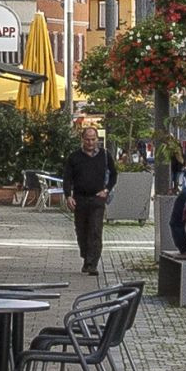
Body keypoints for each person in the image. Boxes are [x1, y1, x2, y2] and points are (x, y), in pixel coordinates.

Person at [58, 115, 120, 275]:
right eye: (87, 140)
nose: (90, 143)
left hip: (97, 199)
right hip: (80, 198)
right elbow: (67, 178)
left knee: (95, 230)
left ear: (97, 140)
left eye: (93, 140)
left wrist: (106, 189)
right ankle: (86, 256)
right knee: (81, 231)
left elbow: (113, 175)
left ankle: (92, 263)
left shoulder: (105, 156)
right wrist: (68, 195)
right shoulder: (74, 157)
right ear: (82, 140)